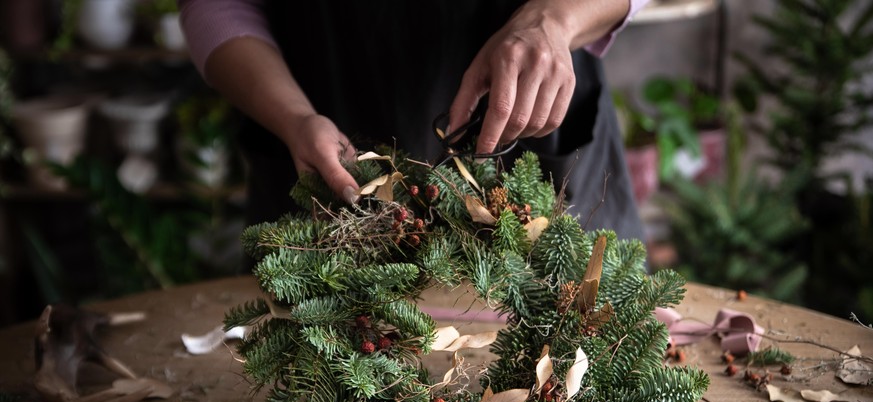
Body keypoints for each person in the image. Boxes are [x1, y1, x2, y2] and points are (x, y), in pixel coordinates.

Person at [178, 0, 649, 242]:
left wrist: (555, 18)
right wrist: (293, 116)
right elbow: (215, 7)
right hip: (318, 144)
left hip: (537, 129)